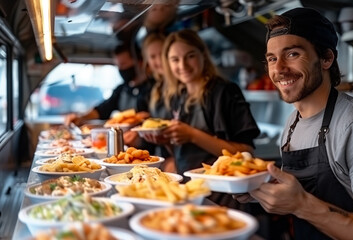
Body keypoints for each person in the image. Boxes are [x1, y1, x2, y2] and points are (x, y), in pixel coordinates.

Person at [236, 8, 353, 240]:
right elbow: (297, 194)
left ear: (326, 58)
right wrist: (258, 189)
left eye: (292, 54)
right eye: (272, 58)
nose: (278, 69)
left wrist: (301, 204)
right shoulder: (292, 123)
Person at [152, 29, 260, 176]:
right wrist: (165, 140)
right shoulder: (178, 96)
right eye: (175, 59)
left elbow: (246, 151)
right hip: (189, 185)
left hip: (221, 189)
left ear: (203, 54)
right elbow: (184, 153)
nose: (183, 65)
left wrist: (192, 134)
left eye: (190, 56)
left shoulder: (225, 92)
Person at [64, 44, 154, 145]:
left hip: (148, 145)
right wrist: (80, 117)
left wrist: (139, 132)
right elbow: (102, 110)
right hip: (124, 143)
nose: (121, 69)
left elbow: (156, 119)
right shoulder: (122, 89)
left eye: (124, 64)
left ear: (139, 62)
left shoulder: (153, 88)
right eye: (118, 66)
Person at [139, 32, 176, 172]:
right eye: (152, 56)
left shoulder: (181, 87)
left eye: (161, 54)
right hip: (164, 154)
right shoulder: (156, 89)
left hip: (177, 157)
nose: (158, 60)